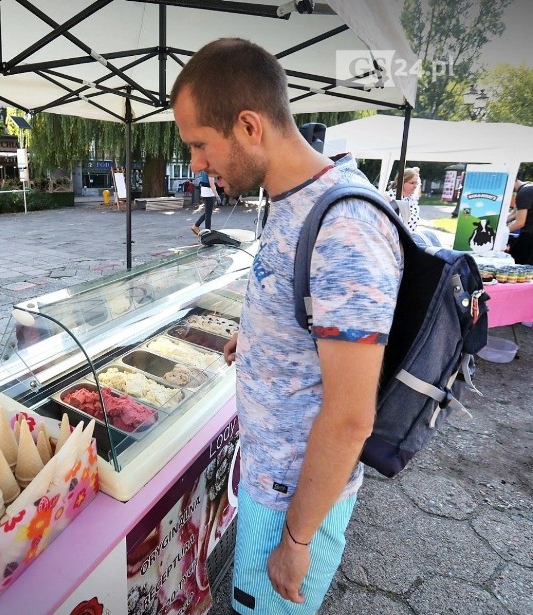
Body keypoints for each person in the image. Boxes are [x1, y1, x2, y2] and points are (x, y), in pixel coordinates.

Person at [172, 39, 403, 613]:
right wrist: (255, 341)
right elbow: (307, 320)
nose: (196, 164)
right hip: (271, 480)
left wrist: (296, 541)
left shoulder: (345, 229)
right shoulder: (294, 202)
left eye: (200, 144)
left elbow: (351, 417)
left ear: (249, 126)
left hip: (291, 501)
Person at [386, 166, 421, 233]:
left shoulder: (412, 199)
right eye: (412, 183)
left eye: (416, 183)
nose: (415, 186)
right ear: (402, 182)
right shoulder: (390, 198)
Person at [508, 178, 533, 264]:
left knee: (517, 264)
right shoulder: (529, 186)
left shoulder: (523, 194)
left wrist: (499, 234)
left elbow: (520, 223)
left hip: (529, 236)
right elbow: (515, 214)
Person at [191, 169, 218, 234]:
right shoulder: (210, 170)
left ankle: (196, 226)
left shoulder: (205, 168)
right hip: (208, 192)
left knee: (208, 212)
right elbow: (212, 184)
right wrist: (217, 195)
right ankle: (208, 232)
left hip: (204, 191)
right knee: (208, 214)